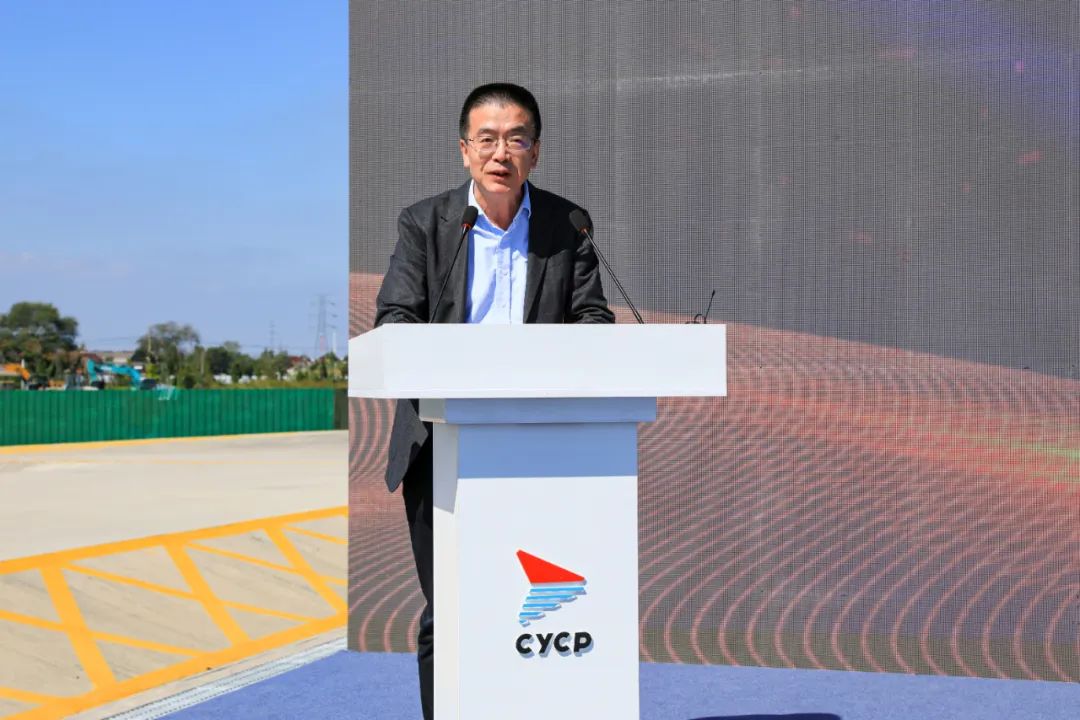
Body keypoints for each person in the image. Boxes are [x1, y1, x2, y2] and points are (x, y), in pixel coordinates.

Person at [373, 82, 614, 719]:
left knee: (536, 604)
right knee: (449, 608)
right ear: (464, 150)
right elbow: (396, 319)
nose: (500, 153)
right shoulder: (426, 223)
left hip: (541, 447)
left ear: (536, 151)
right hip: (441, 443)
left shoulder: (568, 224)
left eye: (515, 139)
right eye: (486, 139)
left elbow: (593, 318)